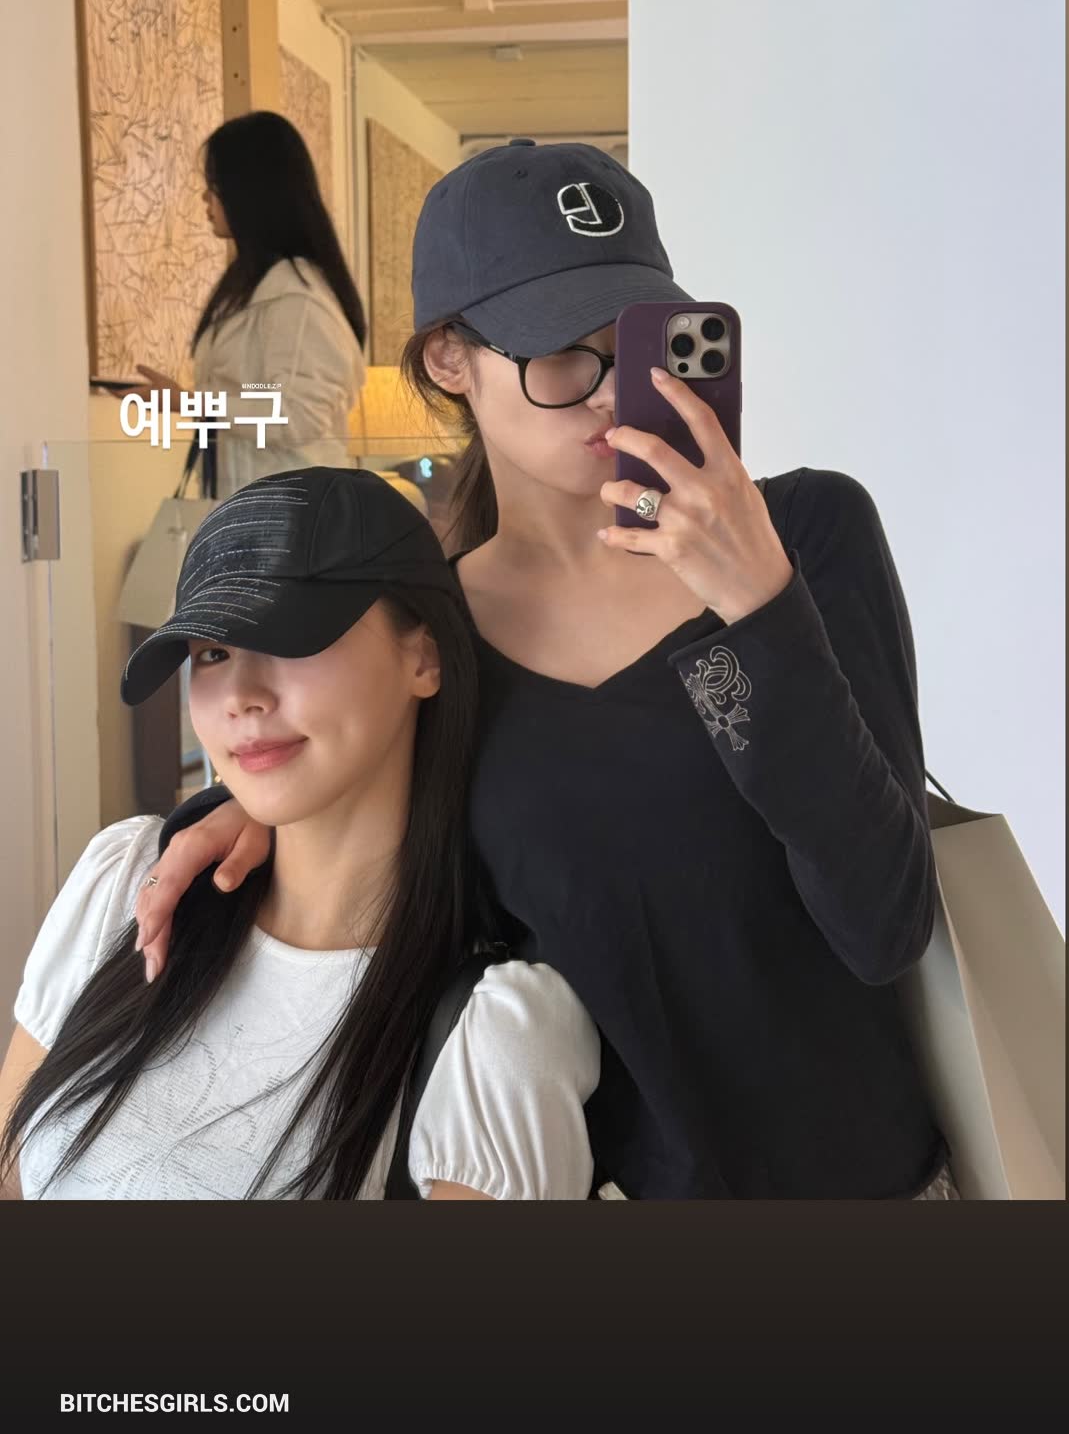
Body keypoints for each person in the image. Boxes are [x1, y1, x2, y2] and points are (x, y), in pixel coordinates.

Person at [126, 140, 958, 1200]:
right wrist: (252, 811)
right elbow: (373, 846)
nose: (614, 393)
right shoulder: (427, 638)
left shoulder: (804, 533)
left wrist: (759, 607)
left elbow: (883, 924)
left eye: (638, 345)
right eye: (562, 354)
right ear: (449, 360)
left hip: (866, 1192)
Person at [0, 468, 599, 1201]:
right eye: (212, 654)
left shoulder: (496, 1034)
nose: (242, 697)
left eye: (293, 636)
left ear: (423, 657)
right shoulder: (125, 883)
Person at [137, 111, 367, 499]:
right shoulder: (253, 288)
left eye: (214, 186)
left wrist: (191, 402)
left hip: (290, 513)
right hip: (252, 505)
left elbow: (297, 415)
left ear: (248, 192)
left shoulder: (298, 302)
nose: (205, 198)